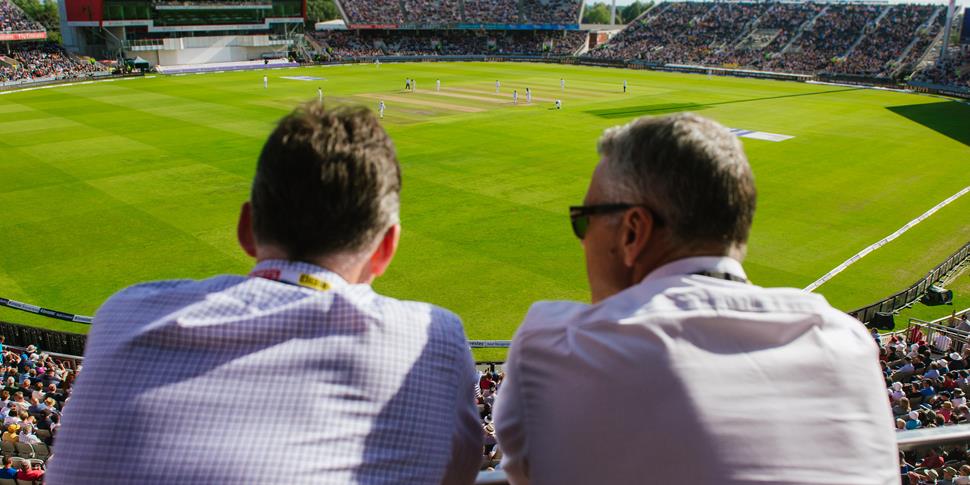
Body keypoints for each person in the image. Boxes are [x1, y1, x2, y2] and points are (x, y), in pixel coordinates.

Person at [46, 103, 483, 484]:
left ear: (246, 228)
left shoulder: (121, 314)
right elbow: (456, 473)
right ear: (386, 248)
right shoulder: (434, 338)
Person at [494, 113, 898, 485]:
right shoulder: (847, 343)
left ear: (633, 232)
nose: (583, 239)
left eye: (585, 221)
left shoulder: (555, 345)